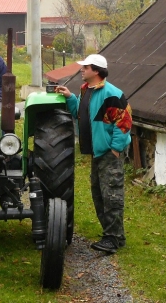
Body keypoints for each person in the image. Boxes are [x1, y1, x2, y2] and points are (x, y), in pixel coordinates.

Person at [55, 53, 132, 254]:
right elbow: (80, 114)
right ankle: (115, 235)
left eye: (85, 67)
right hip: (96, 153)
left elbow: (123, 122)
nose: (81, 70)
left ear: (96, 71)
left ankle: (112, 239)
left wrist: (115, 149)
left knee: (111, 196)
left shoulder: (111, 94)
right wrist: (70, 97)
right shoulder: (85, 91)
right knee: (99, 195)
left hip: (108, 154)